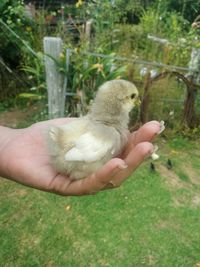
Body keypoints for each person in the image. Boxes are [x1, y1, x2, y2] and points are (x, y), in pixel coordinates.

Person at [0, 119, 161, 196]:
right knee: (91, 159)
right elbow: (79, 152)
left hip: (70, 154)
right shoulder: (102, 136)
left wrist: (9, 142)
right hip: (73, 158)